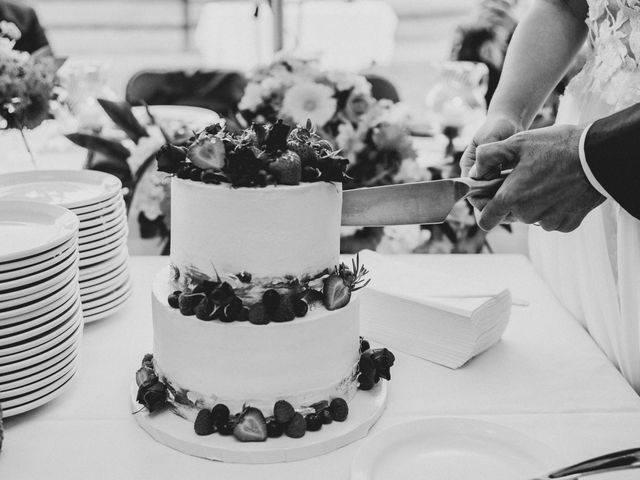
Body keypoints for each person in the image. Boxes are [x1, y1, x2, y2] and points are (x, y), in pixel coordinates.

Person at [460, 0, 640, 392]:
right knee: (592, 377)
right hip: (584, 156)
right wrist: (507, 111)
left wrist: (593, 159)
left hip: (613, 156)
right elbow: (565, 6)